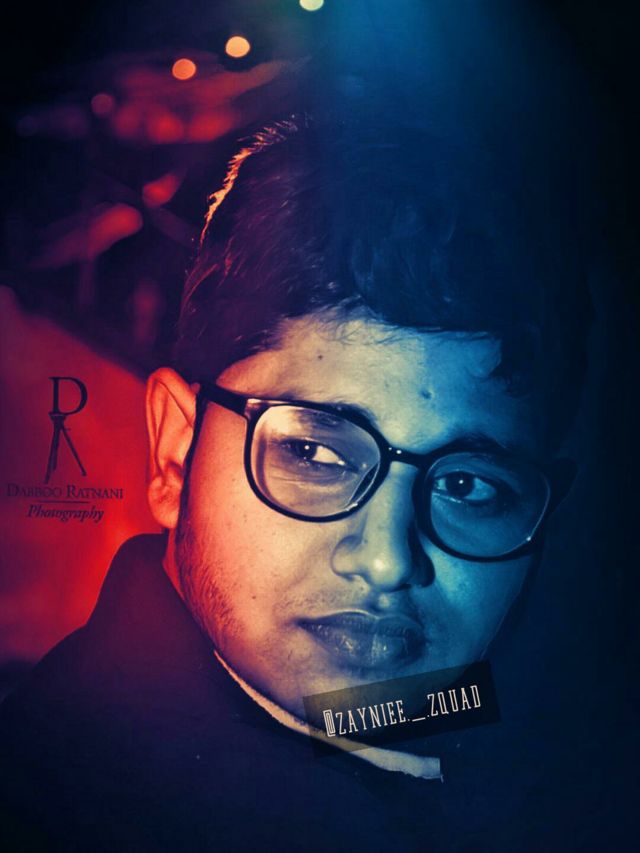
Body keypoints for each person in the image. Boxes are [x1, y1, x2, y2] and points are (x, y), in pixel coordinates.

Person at [0, 115, 597, 851]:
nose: (386, 559)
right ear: (176, 453)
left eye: (468, 486)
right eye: (314, 453)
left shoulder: (516, 752)